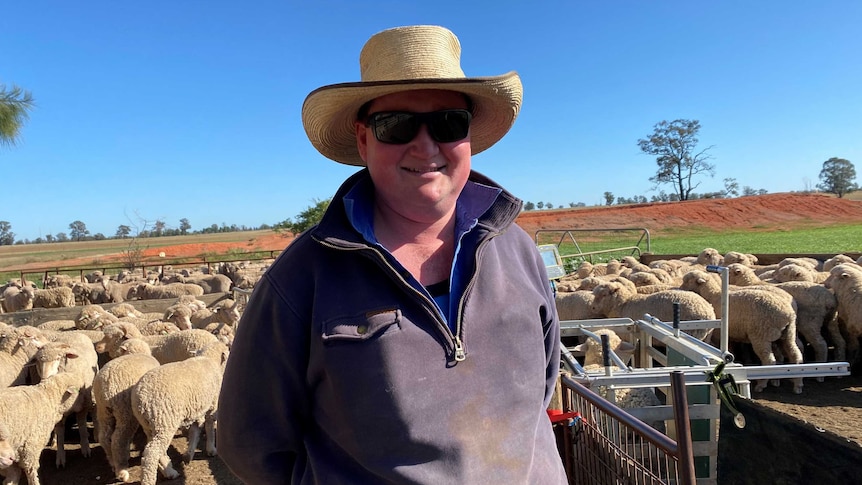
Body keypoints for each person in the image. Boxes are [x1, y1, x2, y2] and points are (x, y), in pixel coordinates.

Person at [218, 25, 567, 484]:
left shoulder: (518, 250)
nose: (425, 146)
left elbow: (540, 388)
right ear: (364, 140)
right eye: (396, 125)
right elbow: (252, 443)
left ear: (468, 136)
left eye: (448, 123)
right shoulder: (304, 276)